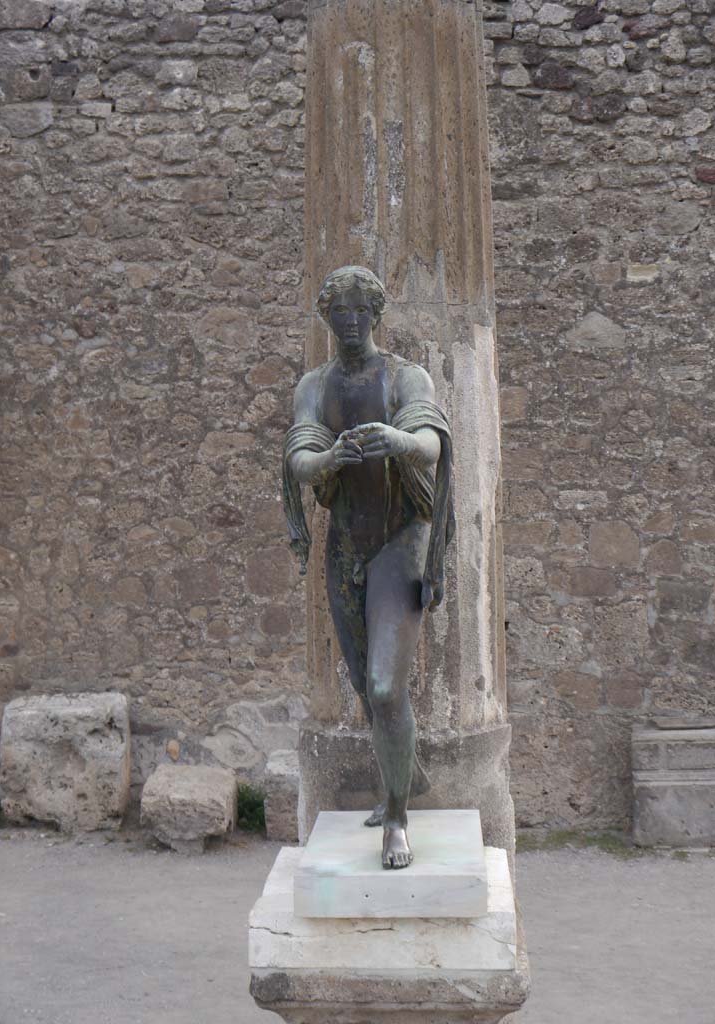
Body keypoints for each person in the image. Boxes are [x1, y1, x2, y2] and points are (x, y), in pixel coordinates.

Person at [283, 266, 454, 869]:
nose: (350, 322)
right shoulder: (315, 385)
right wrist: (330, 455)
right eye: (340, 312)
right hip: (346, 545)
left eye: (360, 311)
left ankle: (400, 819)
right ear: (327, 319)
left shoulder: (407, 378)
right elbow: (300, 459)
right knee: (363, 683)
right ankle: (397, 786)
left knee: (385, 686)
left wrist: (399, 440)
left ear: (376, 315)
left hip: (400, 540)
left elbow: (431, 443)